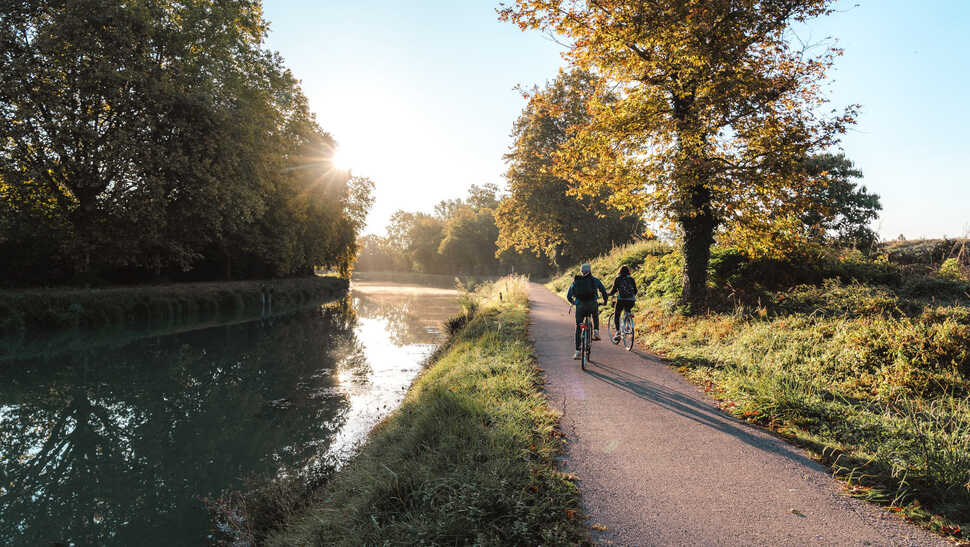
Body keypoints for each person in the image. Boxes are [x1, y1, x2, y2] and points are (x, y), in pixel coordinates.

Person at [566, 263, 608, 360]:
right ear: (590, 271)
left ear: (581, 271)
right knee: (595, 315)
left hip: (580, 307)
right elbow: (603, 291)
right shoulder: (595, 280)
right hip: (592, 305)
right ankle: (596, 331)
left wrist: (574, 302)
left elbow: (568, 296)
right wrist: (605, 301)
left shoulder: (576, 281)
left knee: (578, 328)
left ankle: (577, 352)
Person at [608, 265, 638, 343]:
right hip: (631, 300)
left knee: (617, 314)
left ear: (620, 271)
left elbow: (613, 290)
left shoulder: (618, 279)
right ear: (628, 271)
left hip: (621, 300)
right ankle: (628, 325)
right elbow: (635, 291)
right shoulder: (631, 279)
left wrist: (608, 294)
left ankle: (618, 332)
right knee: (627, 310)